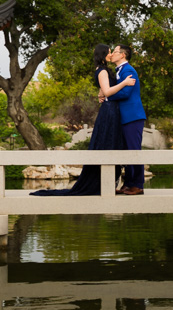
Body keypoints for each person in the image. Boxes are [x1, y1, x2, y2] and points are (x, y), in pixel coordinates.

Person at [30, 44, 135, 196]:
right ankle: (99, 183)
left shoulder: (106, 71)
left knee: (112, 142)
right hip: (109, 111)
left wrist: (102, 92)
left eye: (113, 51)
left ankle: (110, 182)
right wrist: (124, 83)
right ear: (103, 54)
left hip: (113, 109)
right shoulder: (102, 71)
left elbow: (103, 90)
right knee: (107, 142)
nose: (111, 54)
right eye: (109, 51)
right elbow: (107, 91)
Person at [106, 43, 147, 195]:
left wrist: (107, 96)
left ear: (123, 54)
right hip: (124, 117)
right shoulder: (120, 71)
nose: (112, 54)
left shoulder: (129, 70)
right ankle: (128, 183)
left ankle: (137, 185)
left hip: (133, 116)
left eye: (115, 51)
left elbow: (125, 93)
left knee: (134, 150)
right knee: (125, 150)